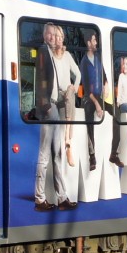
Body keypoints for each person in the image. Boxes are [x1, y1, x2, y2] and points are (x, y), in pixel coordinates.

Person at [33, 23, 80, 211]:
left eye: (56, 35)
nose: (53, 38)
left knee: (57, 153)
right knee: (45, 154)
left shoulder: (57, 53)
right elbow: (42, 79)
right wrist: (44, 104)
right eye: (51, 35)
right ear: (45, 36)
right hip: (48, 106)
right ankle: (39, 198)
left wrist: (72, 88)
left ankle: (62, 197)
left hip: (57, 105)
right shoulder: (44, 51)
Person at [79, 32, 107, 171]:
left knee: (116, 113)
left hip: (100, 96)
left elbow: (105, 76)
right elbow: (86, 89)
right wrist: (97, 104)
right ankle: (92, 155)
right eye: (94, 40)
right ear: (89, 43)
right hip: (89, 99)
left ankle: (114, 153)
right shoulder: (83, 62)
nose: (96, 43)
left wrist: (106, 85)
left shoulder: (98, 58)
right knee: (89, 115)